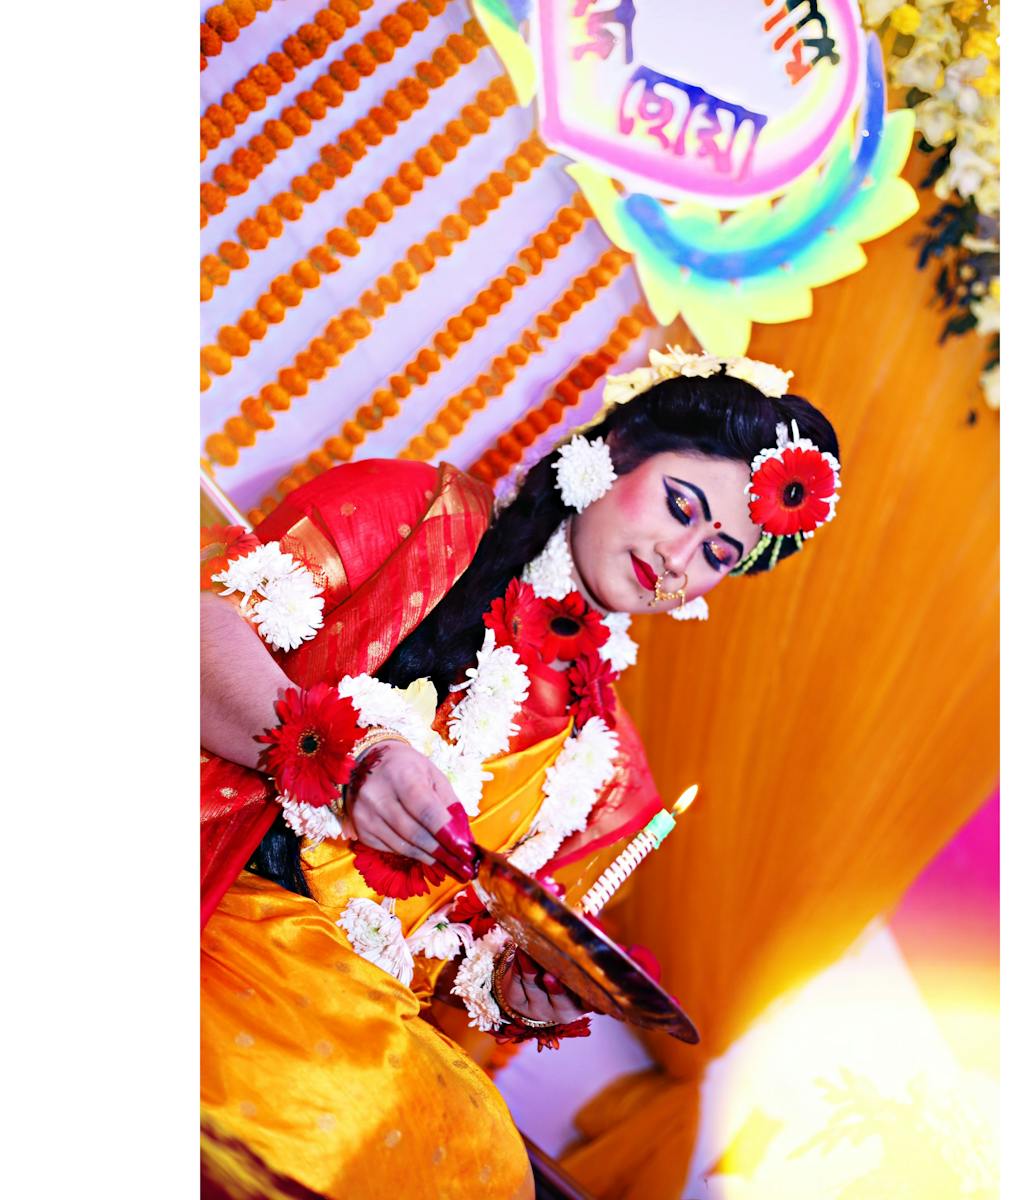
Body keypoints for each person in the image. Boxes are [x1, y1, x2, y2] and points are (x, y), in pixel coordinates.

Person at [200, 348, 841, 1198]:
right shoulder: (413, 516)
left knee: (485, 1158)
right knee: (354, 1109)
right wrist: (348, 766)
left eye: (719, 550)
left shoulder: (608, 777)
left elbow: (460, 968)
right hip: (221, 906)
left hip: (355, 1001)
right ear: (612, 455)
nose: (683, 554)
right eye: (681, 505)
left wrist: (521, 989)